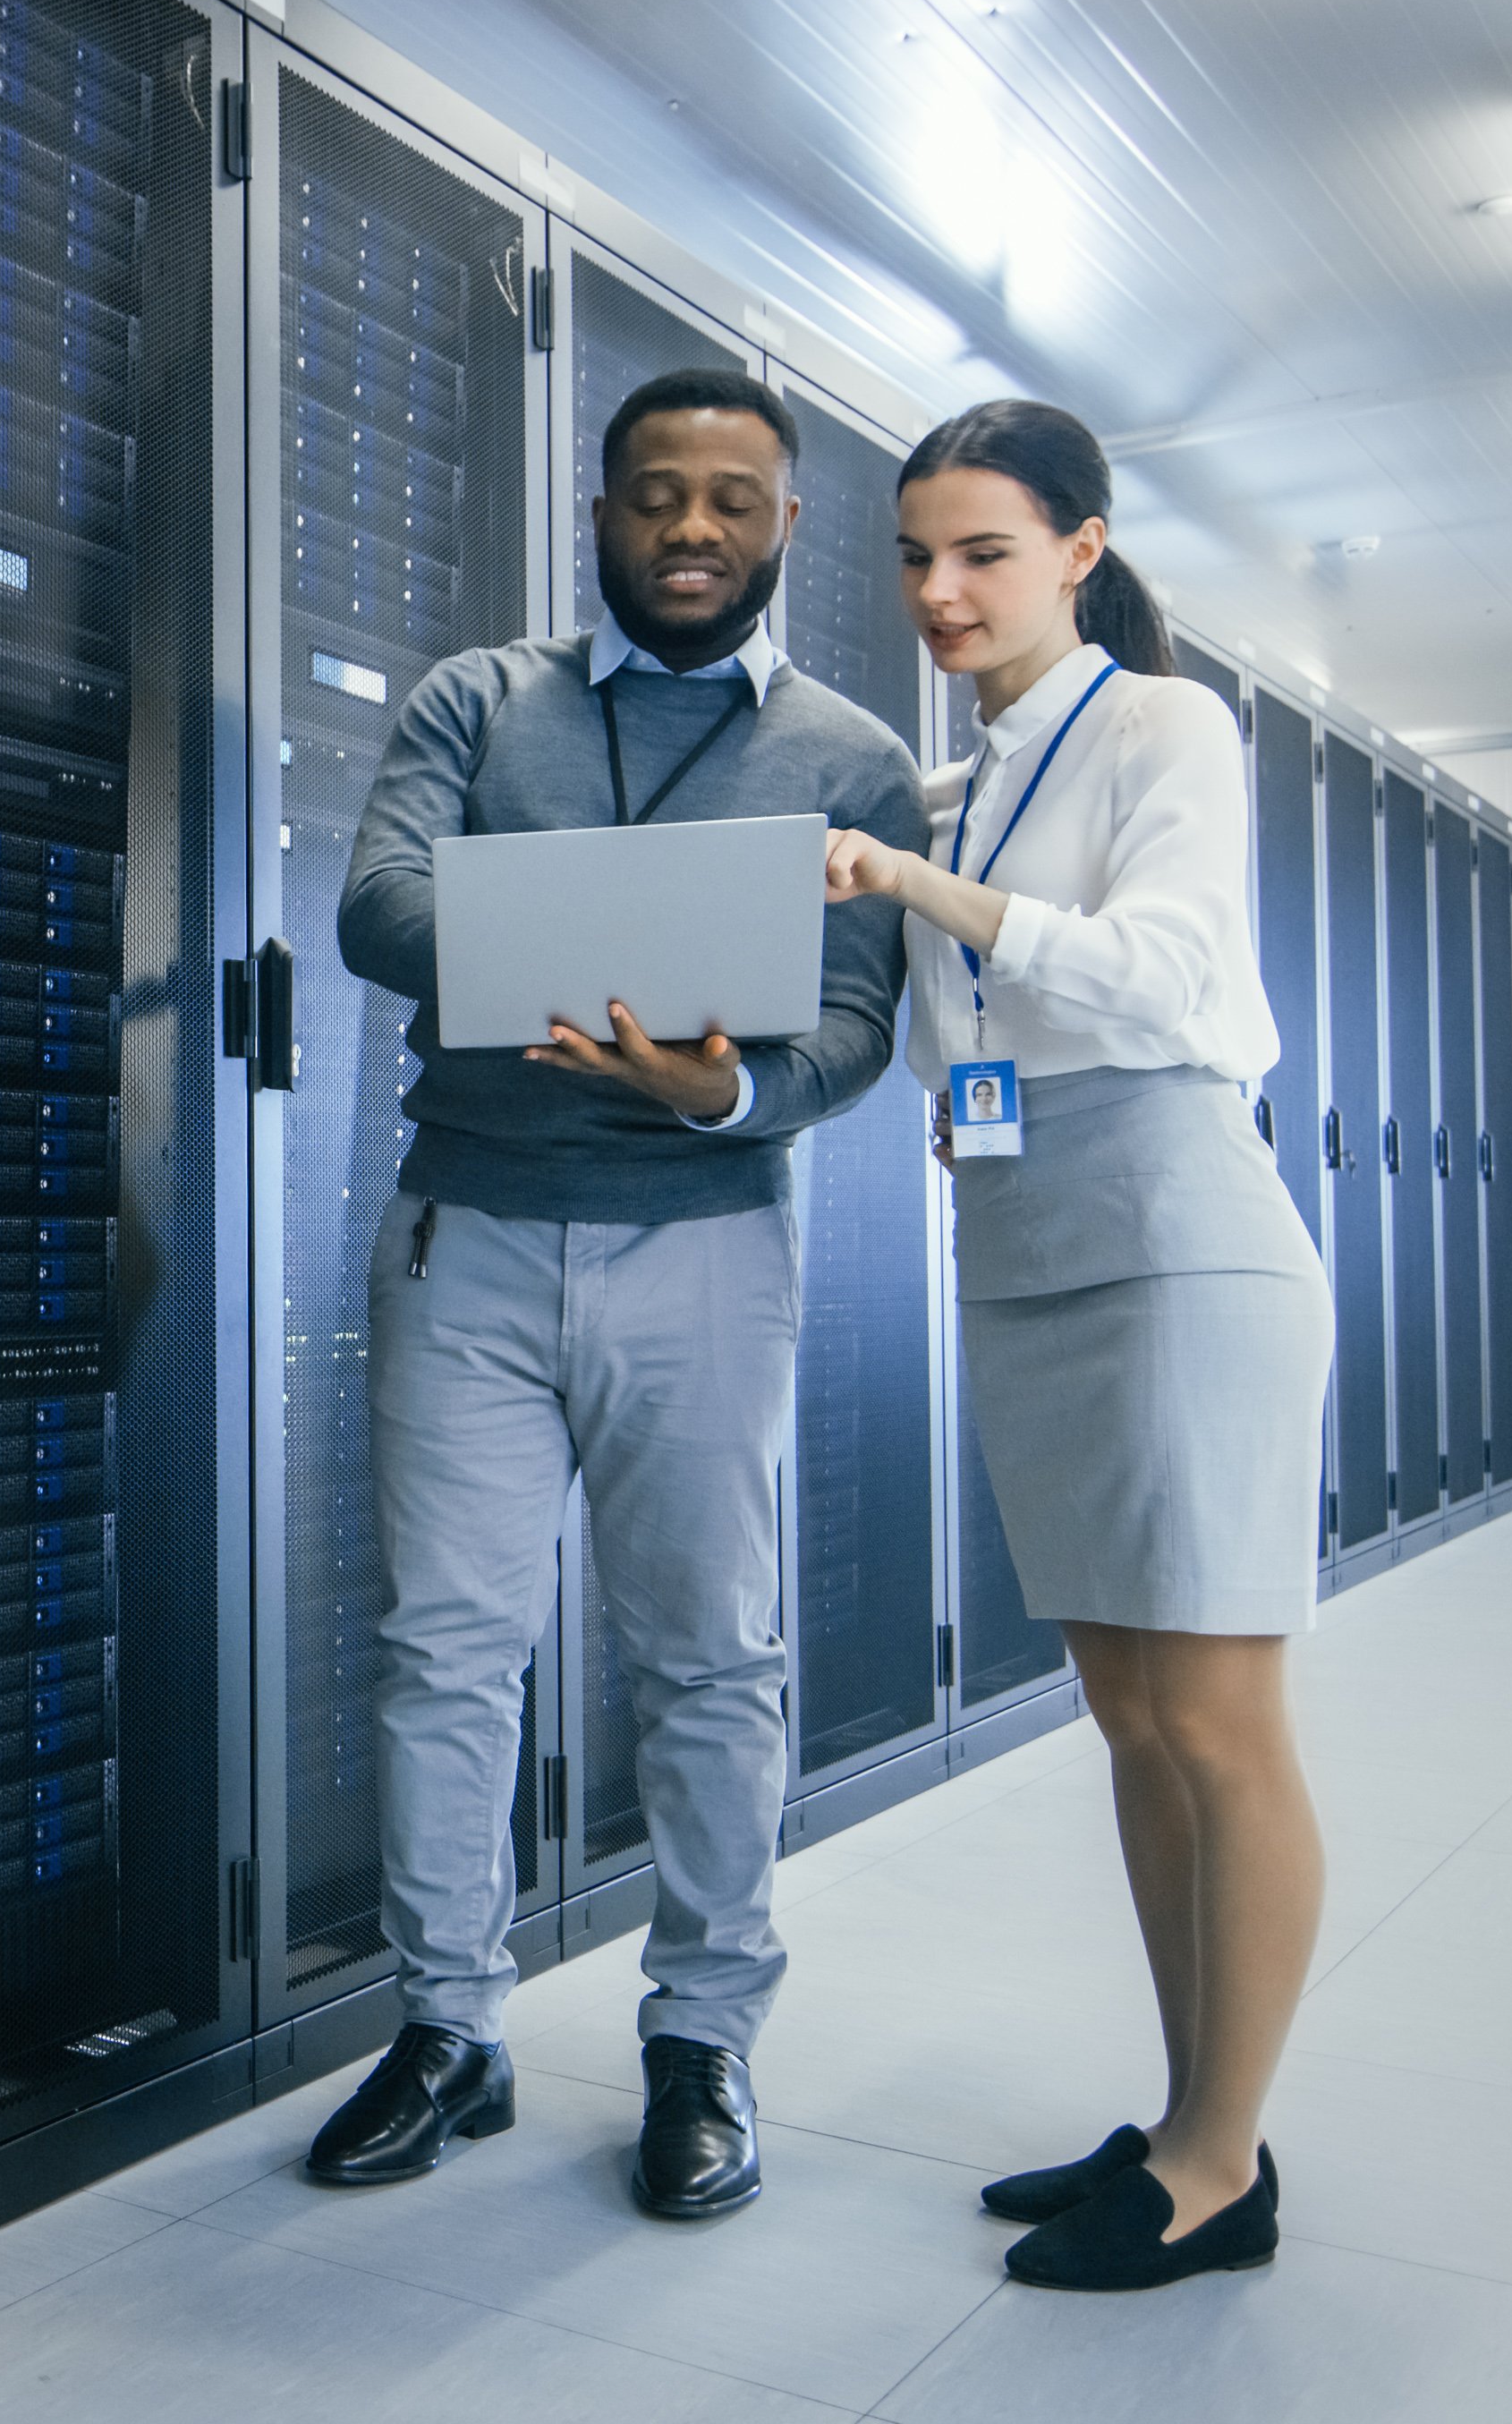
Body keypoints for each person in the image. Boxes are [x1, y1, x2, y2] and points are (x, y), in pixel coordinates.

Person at [309, 368, 928, 2216]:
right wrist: (610, 951)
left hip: (709, 1242)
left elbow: (853, 1026)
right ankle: (447, 2029)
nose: (689, 530)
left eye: (730, 501)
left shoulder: (853, 760)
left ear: (783, 528)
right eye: (654, 496)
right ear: (599, 512)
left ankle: (702, 2042)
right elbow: (372, 908)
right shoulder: (476, 701)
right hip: (468, 1234)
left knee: (709, 1661)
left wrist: (715, 1082)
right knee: (443, 1650)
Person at [819, 398, 1334, 2292]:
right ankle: (1185, 2111)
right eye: (913, 556)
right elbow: (967, 1046)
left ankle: (1220, 2163)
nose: (939, 592)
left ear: (1081, 552)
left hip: (1178, 1239)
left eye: (984, 554)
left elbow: (1174, 978)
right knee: (1125, 1720)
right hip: (1025, 1240)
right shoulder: (949, 796)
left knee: (1215, 1718)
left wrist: (919, 892)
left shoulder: (1158, 728)